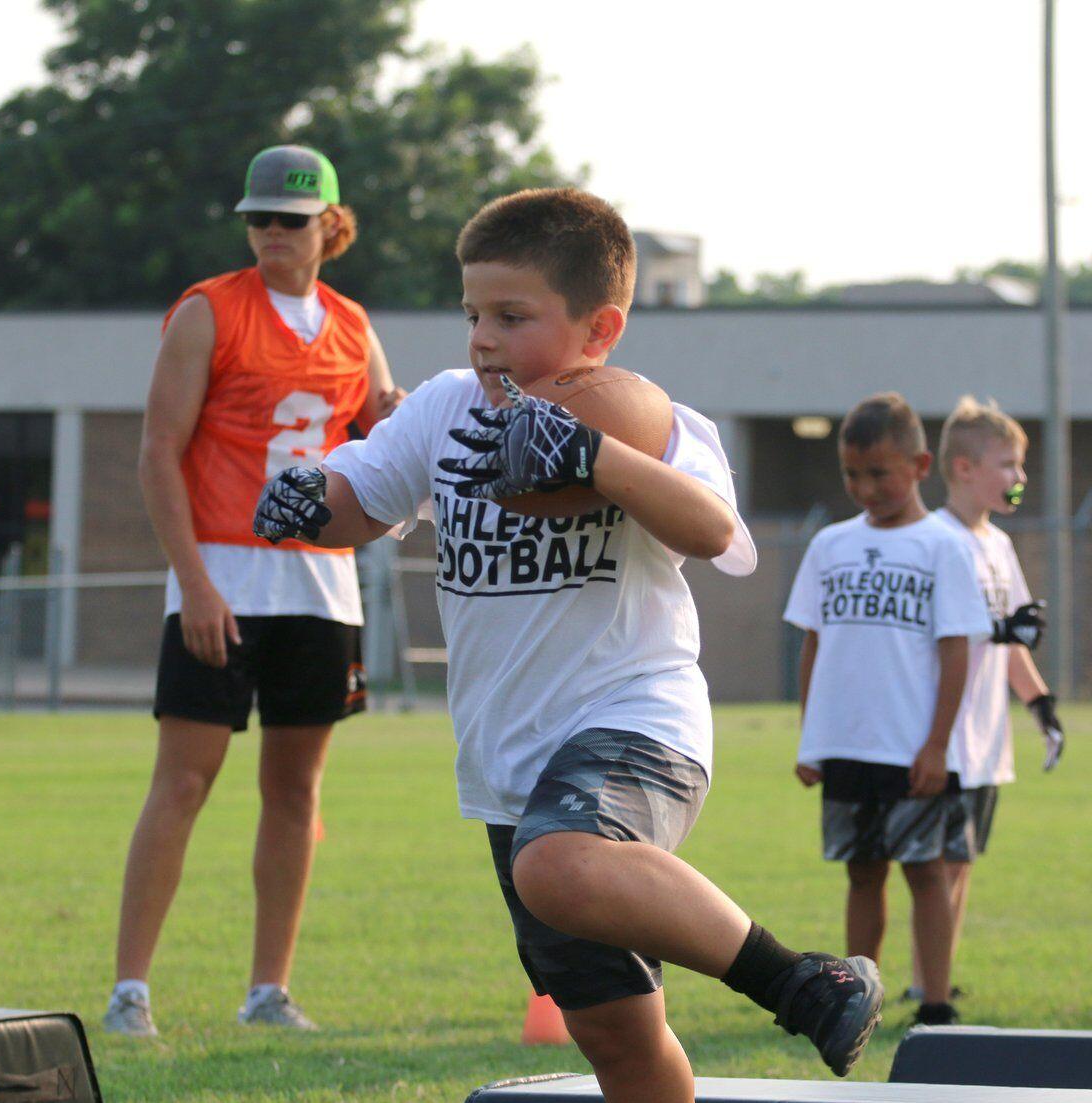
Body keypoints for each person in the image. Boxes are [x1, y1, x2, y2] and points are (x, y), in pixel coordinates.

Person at [254, 188, 884, 1103]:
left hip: (634, 722)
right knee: (618, 1039)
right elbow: (362, 496)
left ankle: (801, 980)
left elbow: (713, 529)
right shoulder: (442, 409)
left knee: (554, 863)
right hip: (510, 765)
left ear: (601, 328)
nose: (483, 338)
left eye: (513, 317)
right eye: (472, 314)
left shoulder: (648, 417)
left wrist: (596, 457)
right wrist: (311, 499)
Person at [104, 145, 404, 1037]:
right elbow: (158, 452)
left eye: (290, 219)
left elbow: (385, 442)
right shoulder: (209, 309)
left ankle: (268, 989)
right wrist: (193, 582)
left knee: (297, 791)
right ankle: (130, 990)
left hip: (322, 585)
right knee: (182, 782)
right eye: (259, 218)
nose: (271, 231)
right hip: (224, 575)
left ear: (330, 226)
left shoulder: (352, 324)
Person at [783, 393, 992, 1028]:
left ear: (920, 466)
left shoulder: (944, 547)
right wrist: (811, 739)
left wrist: (937, 745)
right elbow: (813, 643)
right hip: (848, 744)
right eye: (852, 474)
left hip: (912, 749)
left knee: (926, 873)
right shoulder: (830, 545)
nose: (865, 488)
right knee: (862, 872)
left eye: (880, 473)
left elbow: (956, 651)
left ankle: (935, 1002)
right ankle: (859, 1000)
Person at [898, 396, 1062, 1004]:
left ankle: (935, 976)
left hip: (987, 736)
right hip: (946, 734)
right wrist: (996, 630)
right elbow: (945, 635)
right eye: (1008, 465)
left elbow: (1010, 640)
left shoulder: (998, 544)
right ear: (964, 469)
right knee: (937, 864)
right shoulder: (935, 540)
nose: (1019, 477)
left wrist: (1040, 705)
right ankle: (924, 984)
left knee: (961, 862)